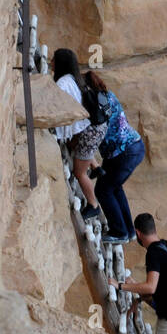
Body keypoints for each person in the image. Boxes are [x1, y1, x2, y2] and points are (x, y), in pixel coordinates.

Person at [86, 71, 145, 244]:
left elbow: (94, 127)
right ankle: (128, 230)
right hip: (132, 146)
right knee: (114, 187)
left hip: (123, 152)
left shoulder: (94, 102)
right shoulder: (106, 95)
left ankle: (119, 232)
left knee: (103, 190)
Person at [51, 48, 105, 219]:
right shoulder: (75, 78)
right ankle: (96, 167)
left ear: (60, 63)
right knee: (78, 147)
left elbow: (57, 105)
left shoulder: (62, 83)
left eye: (53, 59)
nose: (50, 62)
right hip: (95, 127)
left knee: (79, 173)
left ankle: (93, 204)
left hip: (89, 131)